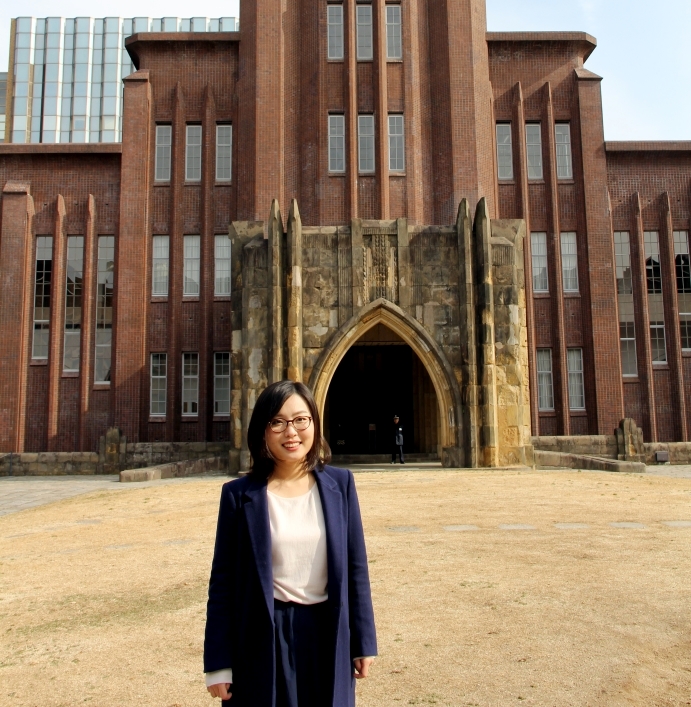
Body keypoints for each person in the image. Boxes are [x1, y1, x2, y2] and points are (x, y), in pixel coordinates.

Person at [204, 380, 377, 706]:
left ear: (314, 422)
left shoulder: (341, 485)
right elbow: (223, 584)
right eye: (278, 422)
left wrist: (363, 641)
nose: (291, 432)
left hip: (326, 631)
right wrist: (217, 664)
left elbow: (356, 568)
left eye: (301, 420)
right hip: (264, 635)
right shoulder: (238, 497)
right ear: (263, 431)